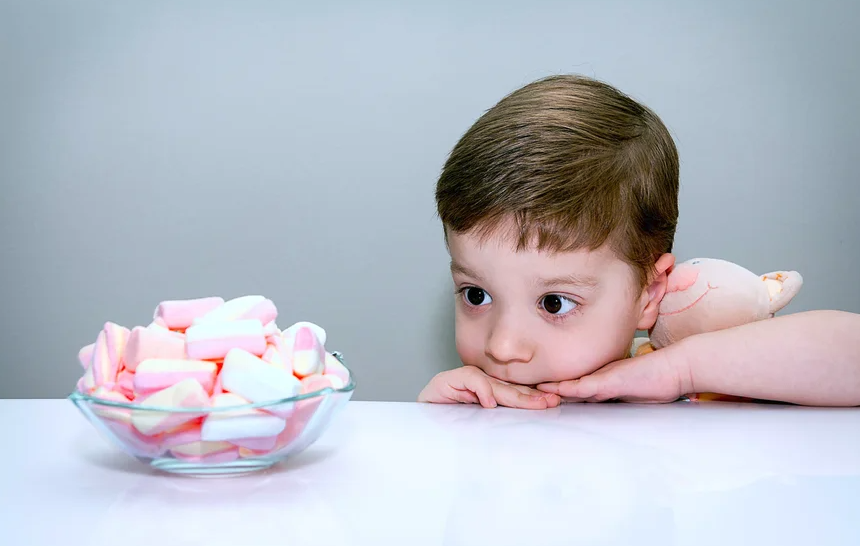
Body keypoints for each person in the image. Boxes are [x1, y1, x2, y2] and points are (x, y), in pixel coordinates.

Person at [417, 74, 860, 409]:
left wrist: (680, 370)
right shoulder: (477, 401)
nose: (502, 346)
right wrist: (440, 427)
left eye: (554, 303)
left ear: (649, 292)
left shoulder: (689, 371)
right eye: (476, 295)